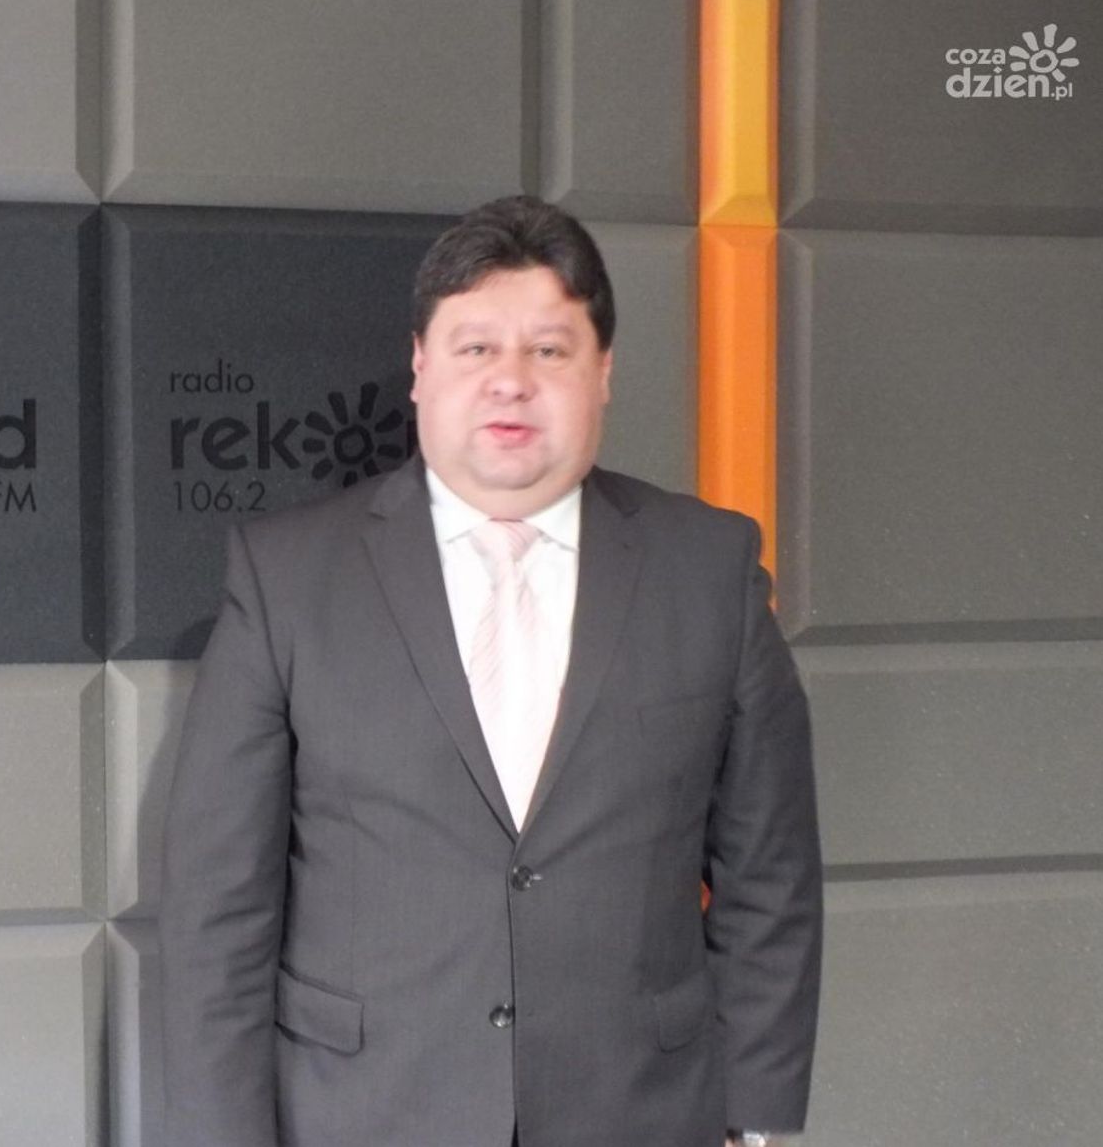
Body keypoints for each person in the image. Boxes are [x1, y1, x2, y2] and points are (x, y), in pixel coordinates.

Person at [159, 195, 822, 1147]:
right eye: (475, 348)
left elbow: (771, 880)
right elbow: (219, 908)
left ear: (603, 371)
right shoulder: (288, 576)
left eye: (549, 350)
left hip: (641, 1112)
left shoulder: (709, 567)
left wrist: (757, 1125)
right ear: (421, 367)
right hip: (366, 1116)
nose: (511, 382)